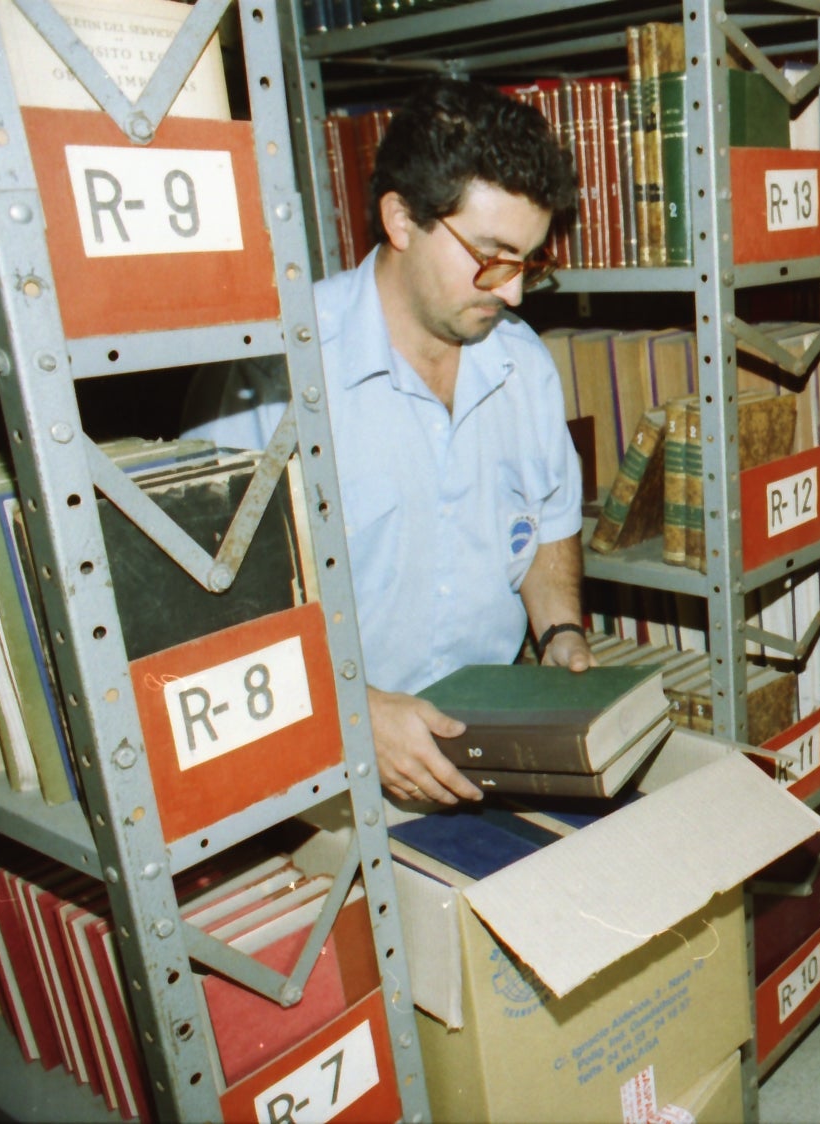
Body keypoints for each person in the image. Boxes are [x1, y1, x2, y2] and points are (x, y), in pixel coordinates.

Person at [183, 78, 590, 805]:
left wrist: (558, 627)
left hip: (482, 751)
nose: (515, 294)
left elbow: (549, 521)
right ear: (401, 220)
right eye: (492, 256)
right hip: (323, 777)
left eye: (528, 262)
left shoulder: (522, 364)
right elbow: (205, 607)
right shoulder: (276, 368)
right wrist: (354, 711)